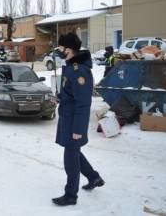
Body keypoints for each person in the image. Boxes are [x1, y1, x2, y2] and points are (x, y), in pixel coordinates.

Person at [52, 33, 104, 206]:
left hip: (74, 121)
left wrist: (78, 130)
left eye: (60, 48)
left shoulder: (78, 70)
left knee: (70, 158)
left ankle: (70, 195)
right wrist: (60, 98)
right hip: (68, 117)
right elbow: (70, 93)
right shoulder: (70, 67)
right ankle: (94, 177)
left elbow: (83, 103)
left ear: (69, 49)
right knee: (74, 152)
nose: (58, 51)